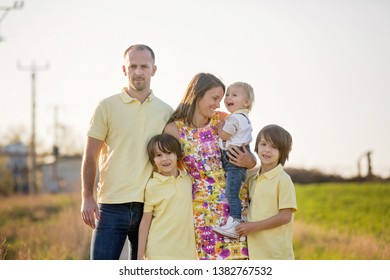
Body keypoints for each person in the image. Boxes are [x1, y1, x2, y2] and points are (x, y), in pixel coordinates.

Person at [80, 44, 173, 260]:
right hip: (110, 206)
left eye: (144, 66)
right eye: (132, 66)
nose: (138, 72)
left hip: (150, 206)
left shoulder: (166, 111)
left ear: (154, 70)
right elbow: (90, 154)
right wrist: (87, 196)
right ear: (124, 70)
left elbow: (177, 155)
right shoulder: (106, 106)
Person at [164, 73, 256, 260]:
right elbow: (167, 170)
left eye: (221, 99)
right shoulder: (174, 129)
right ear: (198, 95)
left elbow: (248, 154)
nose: (218, 105)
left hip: (234, 209)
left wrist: (251, 162)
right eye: (215, 98)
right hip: (203, 210)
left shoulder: (223, 120)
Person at [236, 124, 297, 260]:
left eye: (274, 147)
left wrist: (252, 227)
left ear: (283, 152)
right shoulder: (252, 179)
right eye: (263, 144)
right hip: (254, 254)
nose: (267, 150)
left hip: (276, 255)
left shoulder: (283, 179)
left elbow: (285, 216)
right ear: (257, 146)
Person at [137, 134, 197, 260]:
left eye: (169, 153)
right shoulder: (152, 185)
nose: (165, 159)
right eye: (159, 155)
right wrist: (139, 257)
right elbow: (145, 222)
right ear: (153, 160)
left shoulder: (188, 180)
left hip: (187, 253)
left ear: (177, 156)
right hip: (159, 251)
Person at [213, 82, 255, 239]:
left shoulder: (234, 118)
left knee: (232, 194)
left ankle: (235, 222)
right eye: (227, 95)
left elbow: (224, 136)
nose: (228, 98)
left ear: (246, 102)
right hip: (238, 159)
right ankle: (233, 222)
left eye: (234, 95)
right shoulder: (244, 118)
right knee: (234, 192)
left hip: (233, 160)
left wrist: (219, 128)